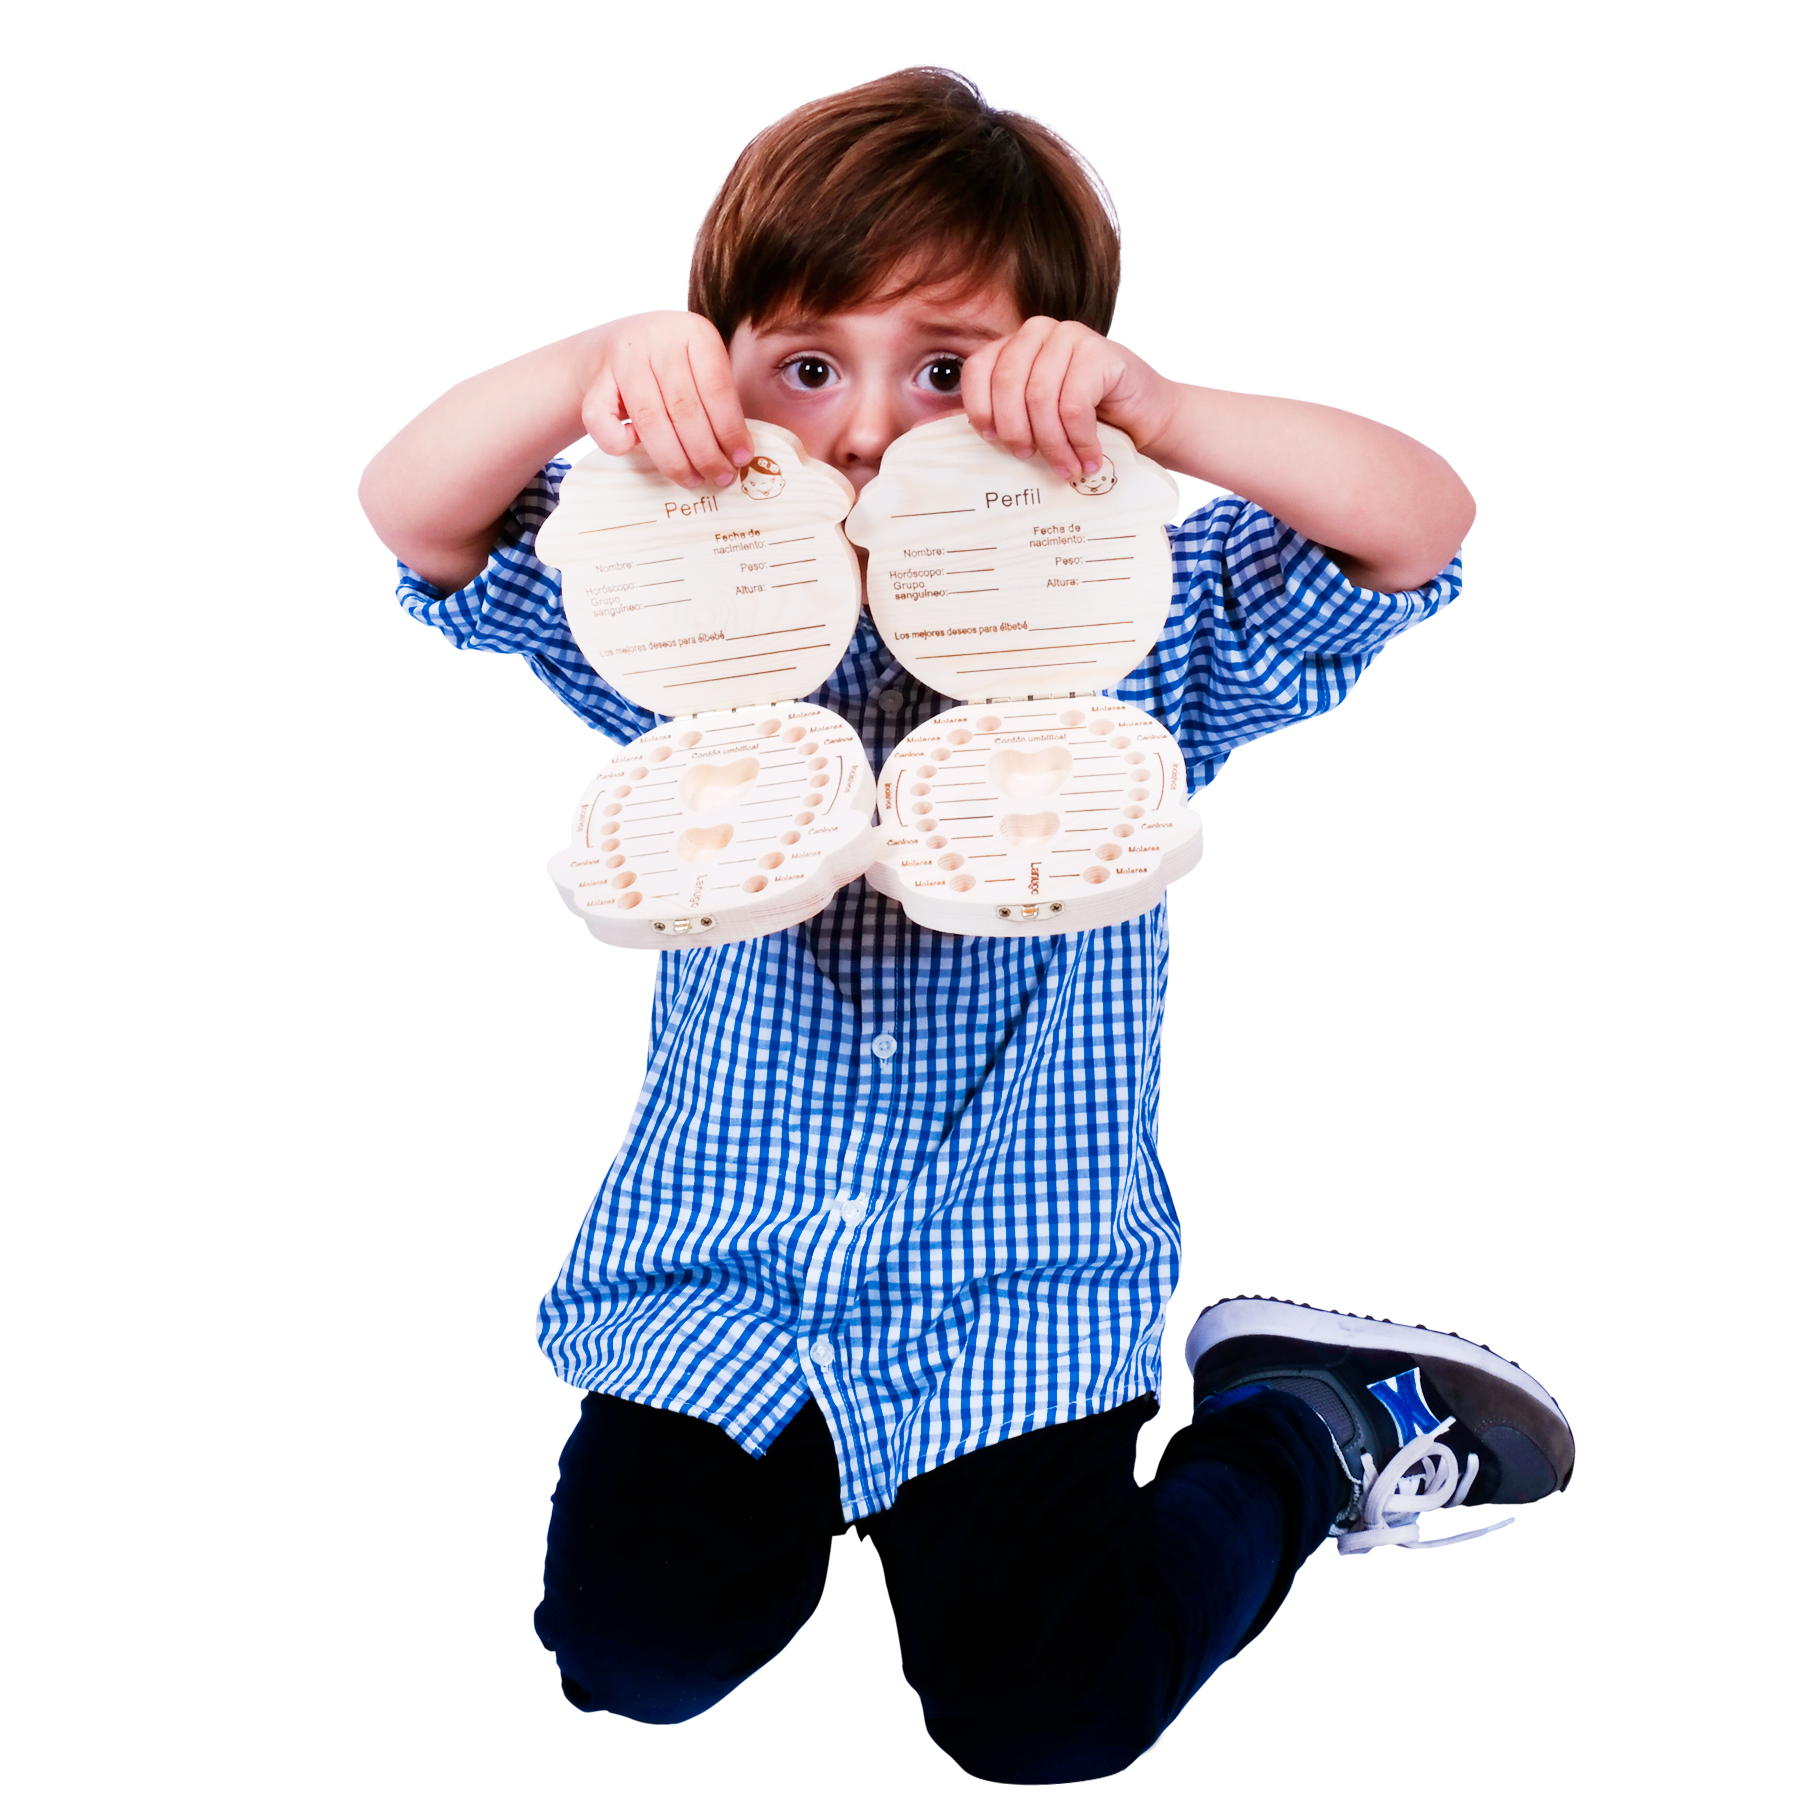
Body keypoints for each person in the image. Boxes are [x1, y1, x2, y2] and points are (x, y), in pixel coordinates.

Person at [359, 66, 1573, 1784]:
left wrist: (1159, 412)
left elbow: (1410, 527)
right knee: (627, 1645)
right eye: (803, 364)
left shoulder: (1137, 650)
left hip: (1016, 1300)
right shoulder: (679, 644)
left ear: (1044, 377)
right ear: (722, 379)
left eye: (945, 368)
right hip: (725, 1286)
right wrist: (580, 379)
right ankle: (880, 1532)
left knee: (1046, 1734)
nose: (864, 424)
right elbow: (418, 518)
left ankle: (1292, 1436)